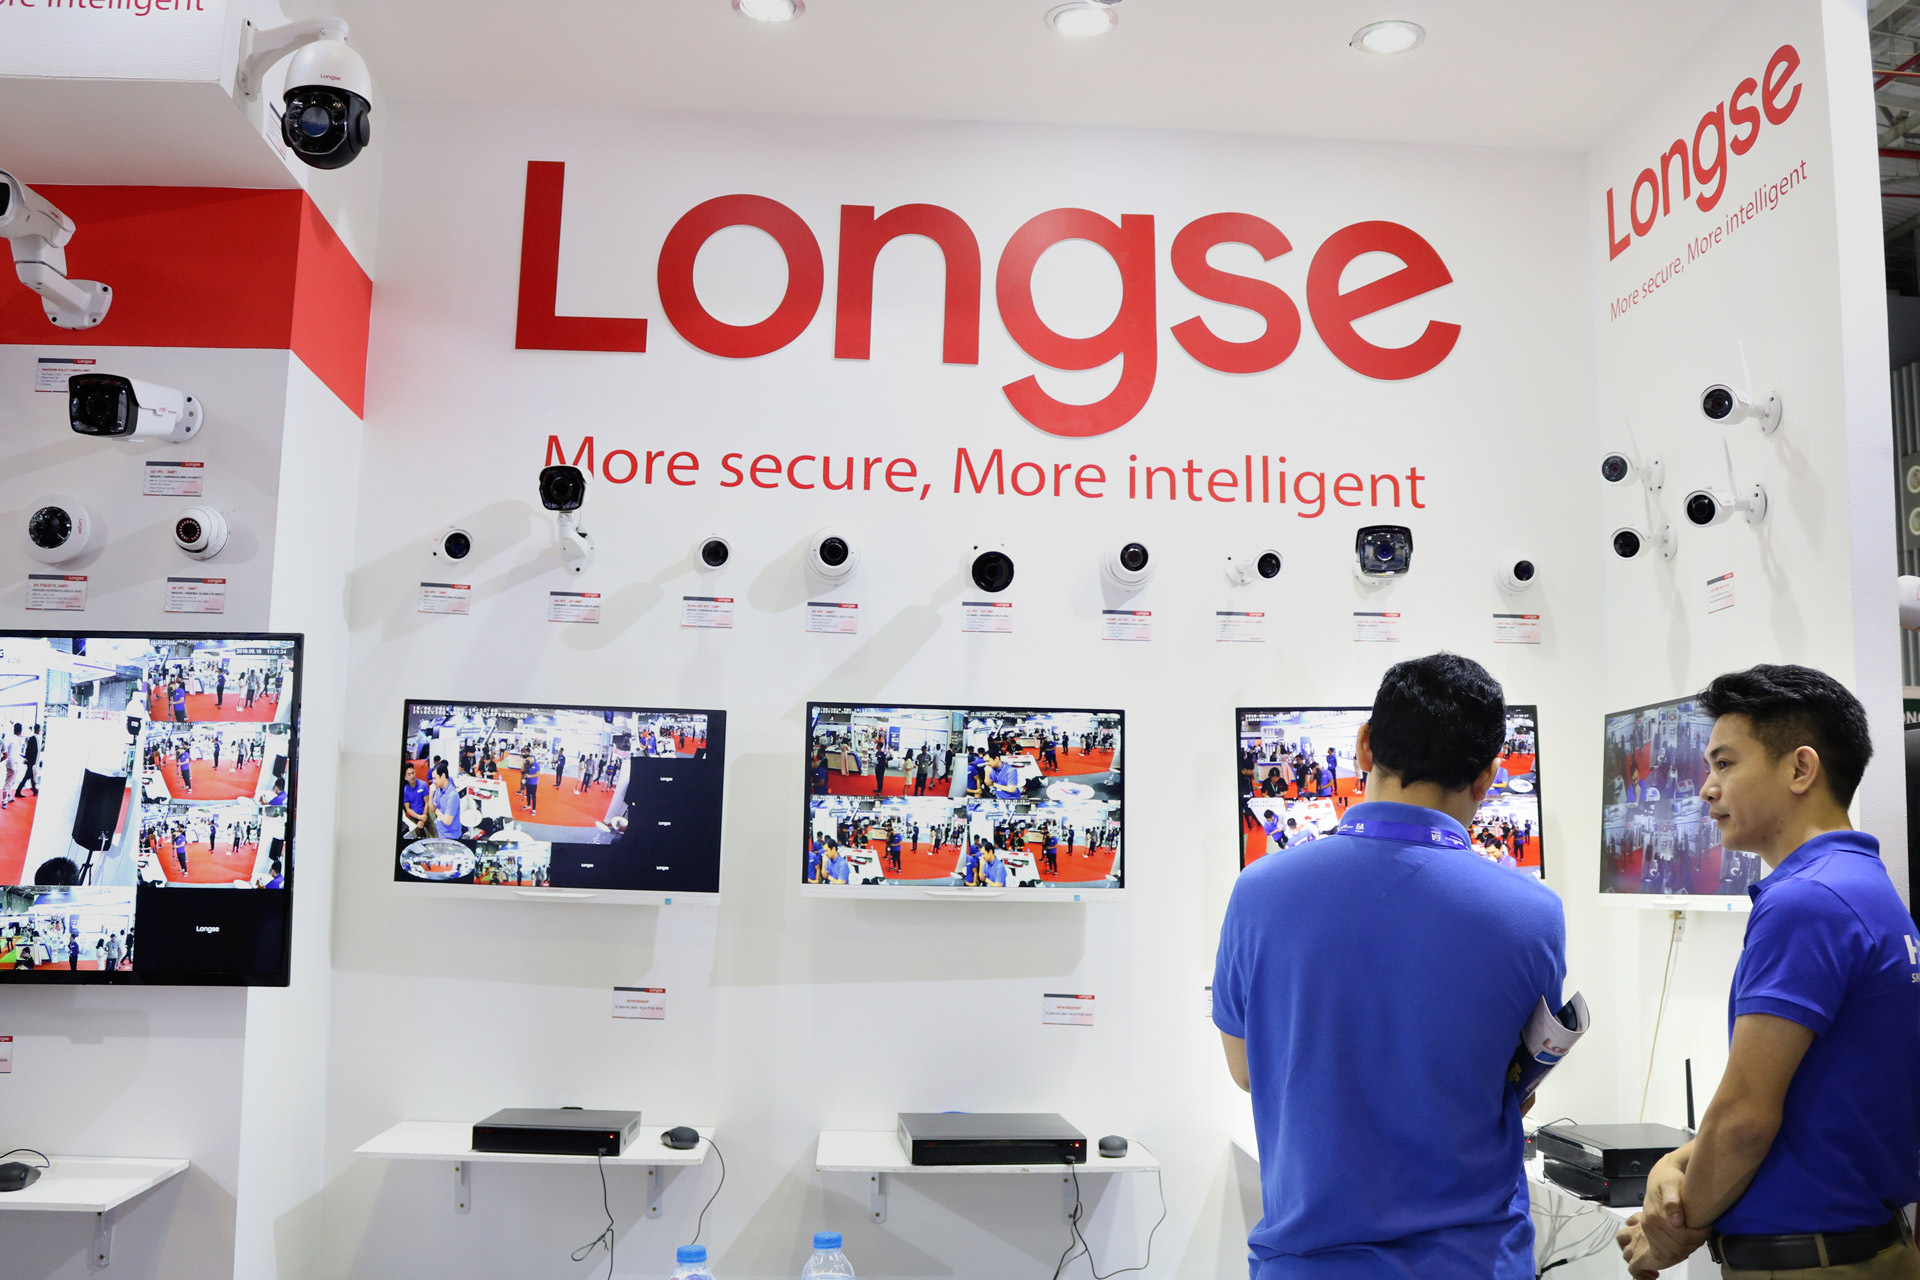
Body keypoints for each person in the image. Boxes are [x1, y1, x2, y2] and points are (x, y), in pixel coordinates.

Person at [1214, 653, 1564, 1280]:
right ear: (1488, 777)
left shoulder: (1259, 891)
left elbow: (1246, 1071)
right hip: (1473, 1263)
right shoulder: (1533, 913)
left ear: (1364, 745)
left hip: (1310, 1264)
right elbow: (1517, 1085)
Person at [1615, 665, 1920, 1280]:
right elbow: (1817, 1103)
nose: (1707, 789)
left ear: (1801, 769)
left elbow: (1746, 1121)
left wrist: (1672, 1231)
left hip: (1810, 1262)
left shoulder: (1807, 900)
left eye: (1725, 764)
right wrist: (1676, 1162)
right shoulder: (1861, 884)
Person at [429, 763, 461, 840]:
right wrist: (430, 795)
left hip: (451, 836)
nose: (433, 781)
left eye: (435, 778)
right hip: (440, 832)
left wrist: (436, 810)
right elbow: (432, 809)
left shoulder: (452, 795)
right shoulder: (438, 789)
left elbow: (447, 821)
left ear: (443, 776)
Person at [401, 762, 429, 837]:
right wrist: (420, 818)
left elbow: (427, 802)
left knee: (435, 834)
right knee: (420, 837)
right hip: (414, 817)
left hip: (425, 814)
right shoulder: (405, 790)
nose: (412, 776)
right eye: (409, 774)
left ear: (415, 772)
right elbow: (408, 808)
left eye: (413, 773)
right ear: (405, 777)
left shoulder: (423, 784)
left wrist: (424, 817)